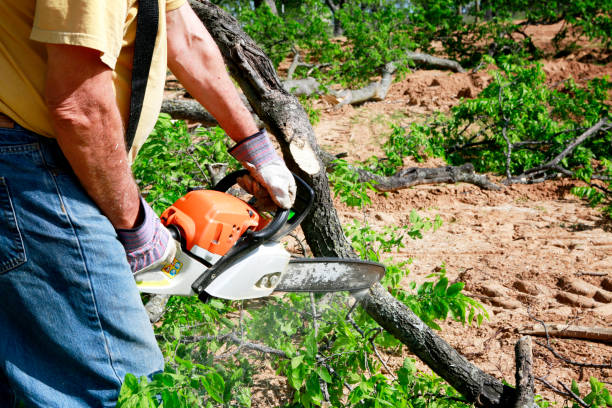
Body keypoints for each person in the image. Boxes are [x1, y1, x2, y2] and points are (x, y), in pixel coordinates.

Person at [0, 0, 296, 406]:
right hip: (28, 169)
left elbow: (183, 33)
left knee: (26, 370)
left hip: (38, 158)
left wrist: (254, 145)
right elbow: (79, 106)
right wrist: (135, 227)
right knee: (122, 385)